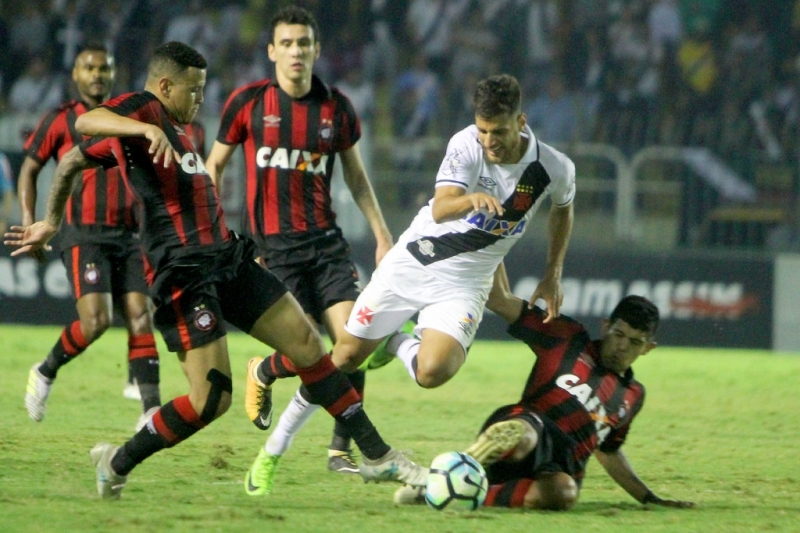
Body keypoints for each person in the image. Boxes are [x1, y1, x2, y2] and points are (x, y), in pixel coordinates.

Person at [4, 41, 428, 500]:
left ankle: (377, 455)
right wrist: (57, 215)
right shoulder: (144, 111)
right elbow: (84, 125)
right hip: (184, 273)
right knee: (212, 401)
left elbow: (71, 163)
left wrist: (52, 215)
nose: (200, 100)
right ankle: (117, 460)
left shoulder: (178, 128)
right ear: (166, 86)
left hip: (228, 257)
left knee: (308, 344)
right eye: (193, 90)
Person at [248, 72, 574, 492]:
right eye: (484, 130)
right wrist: (470, 199)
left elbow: (563, 209)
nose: (490, 140)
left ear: (522, 122)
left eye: (500, 131)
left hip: (465, 284)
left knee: (433, 372)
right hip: (414, 263)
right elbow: (440, 210)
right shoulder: (466, 145)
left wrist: (553, 273)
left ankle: (394, 342)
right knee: (342, 358)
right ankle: (272, 452)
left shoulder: (553, 167)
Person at [205, 5, 397, 489]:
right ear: (271, 51)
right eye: (286, 44)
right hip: (273, 252)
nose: (295, 51)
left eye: (303, 43)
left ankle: (340, 449)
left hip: (327, 246)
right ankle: (266, 367)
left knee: (354, 342)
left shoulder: (336, 107)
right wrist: (211, 230)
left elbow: (354, 175)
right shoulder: (247, 103)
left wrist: (380, 233)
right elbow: (213, 169)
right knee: (310, 351)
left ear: (316, 49)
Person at [395, 264, 695, 511]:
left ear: (648, 349)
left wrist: (648, 497)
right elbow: (500, 299)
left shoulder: (633, 396)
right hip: (531, 424)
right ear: (606, 326)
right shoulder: (567, 336)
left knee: (563, 494)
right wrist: (495, 242)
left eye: (635, 342)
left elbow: (609, 451)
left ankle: (442, 491)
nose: (622, 347)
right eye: (619, 334)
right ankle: (457, 473)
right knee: (521, 436)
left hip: (563, 464)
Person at [17, 42, 161, 431]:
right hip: (84, 234)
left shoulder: (125, 118)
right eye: (89, 68)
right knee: (96, 321)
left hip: (130, 235)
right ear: (76, 75)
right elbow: (29, 169)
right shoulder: (62, 120)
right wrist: (32, 222)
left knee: (140, 316)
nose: (97, 74)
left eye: (104, 68)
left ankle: (150, 411)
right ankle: (45, 371)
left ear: (113, 73)